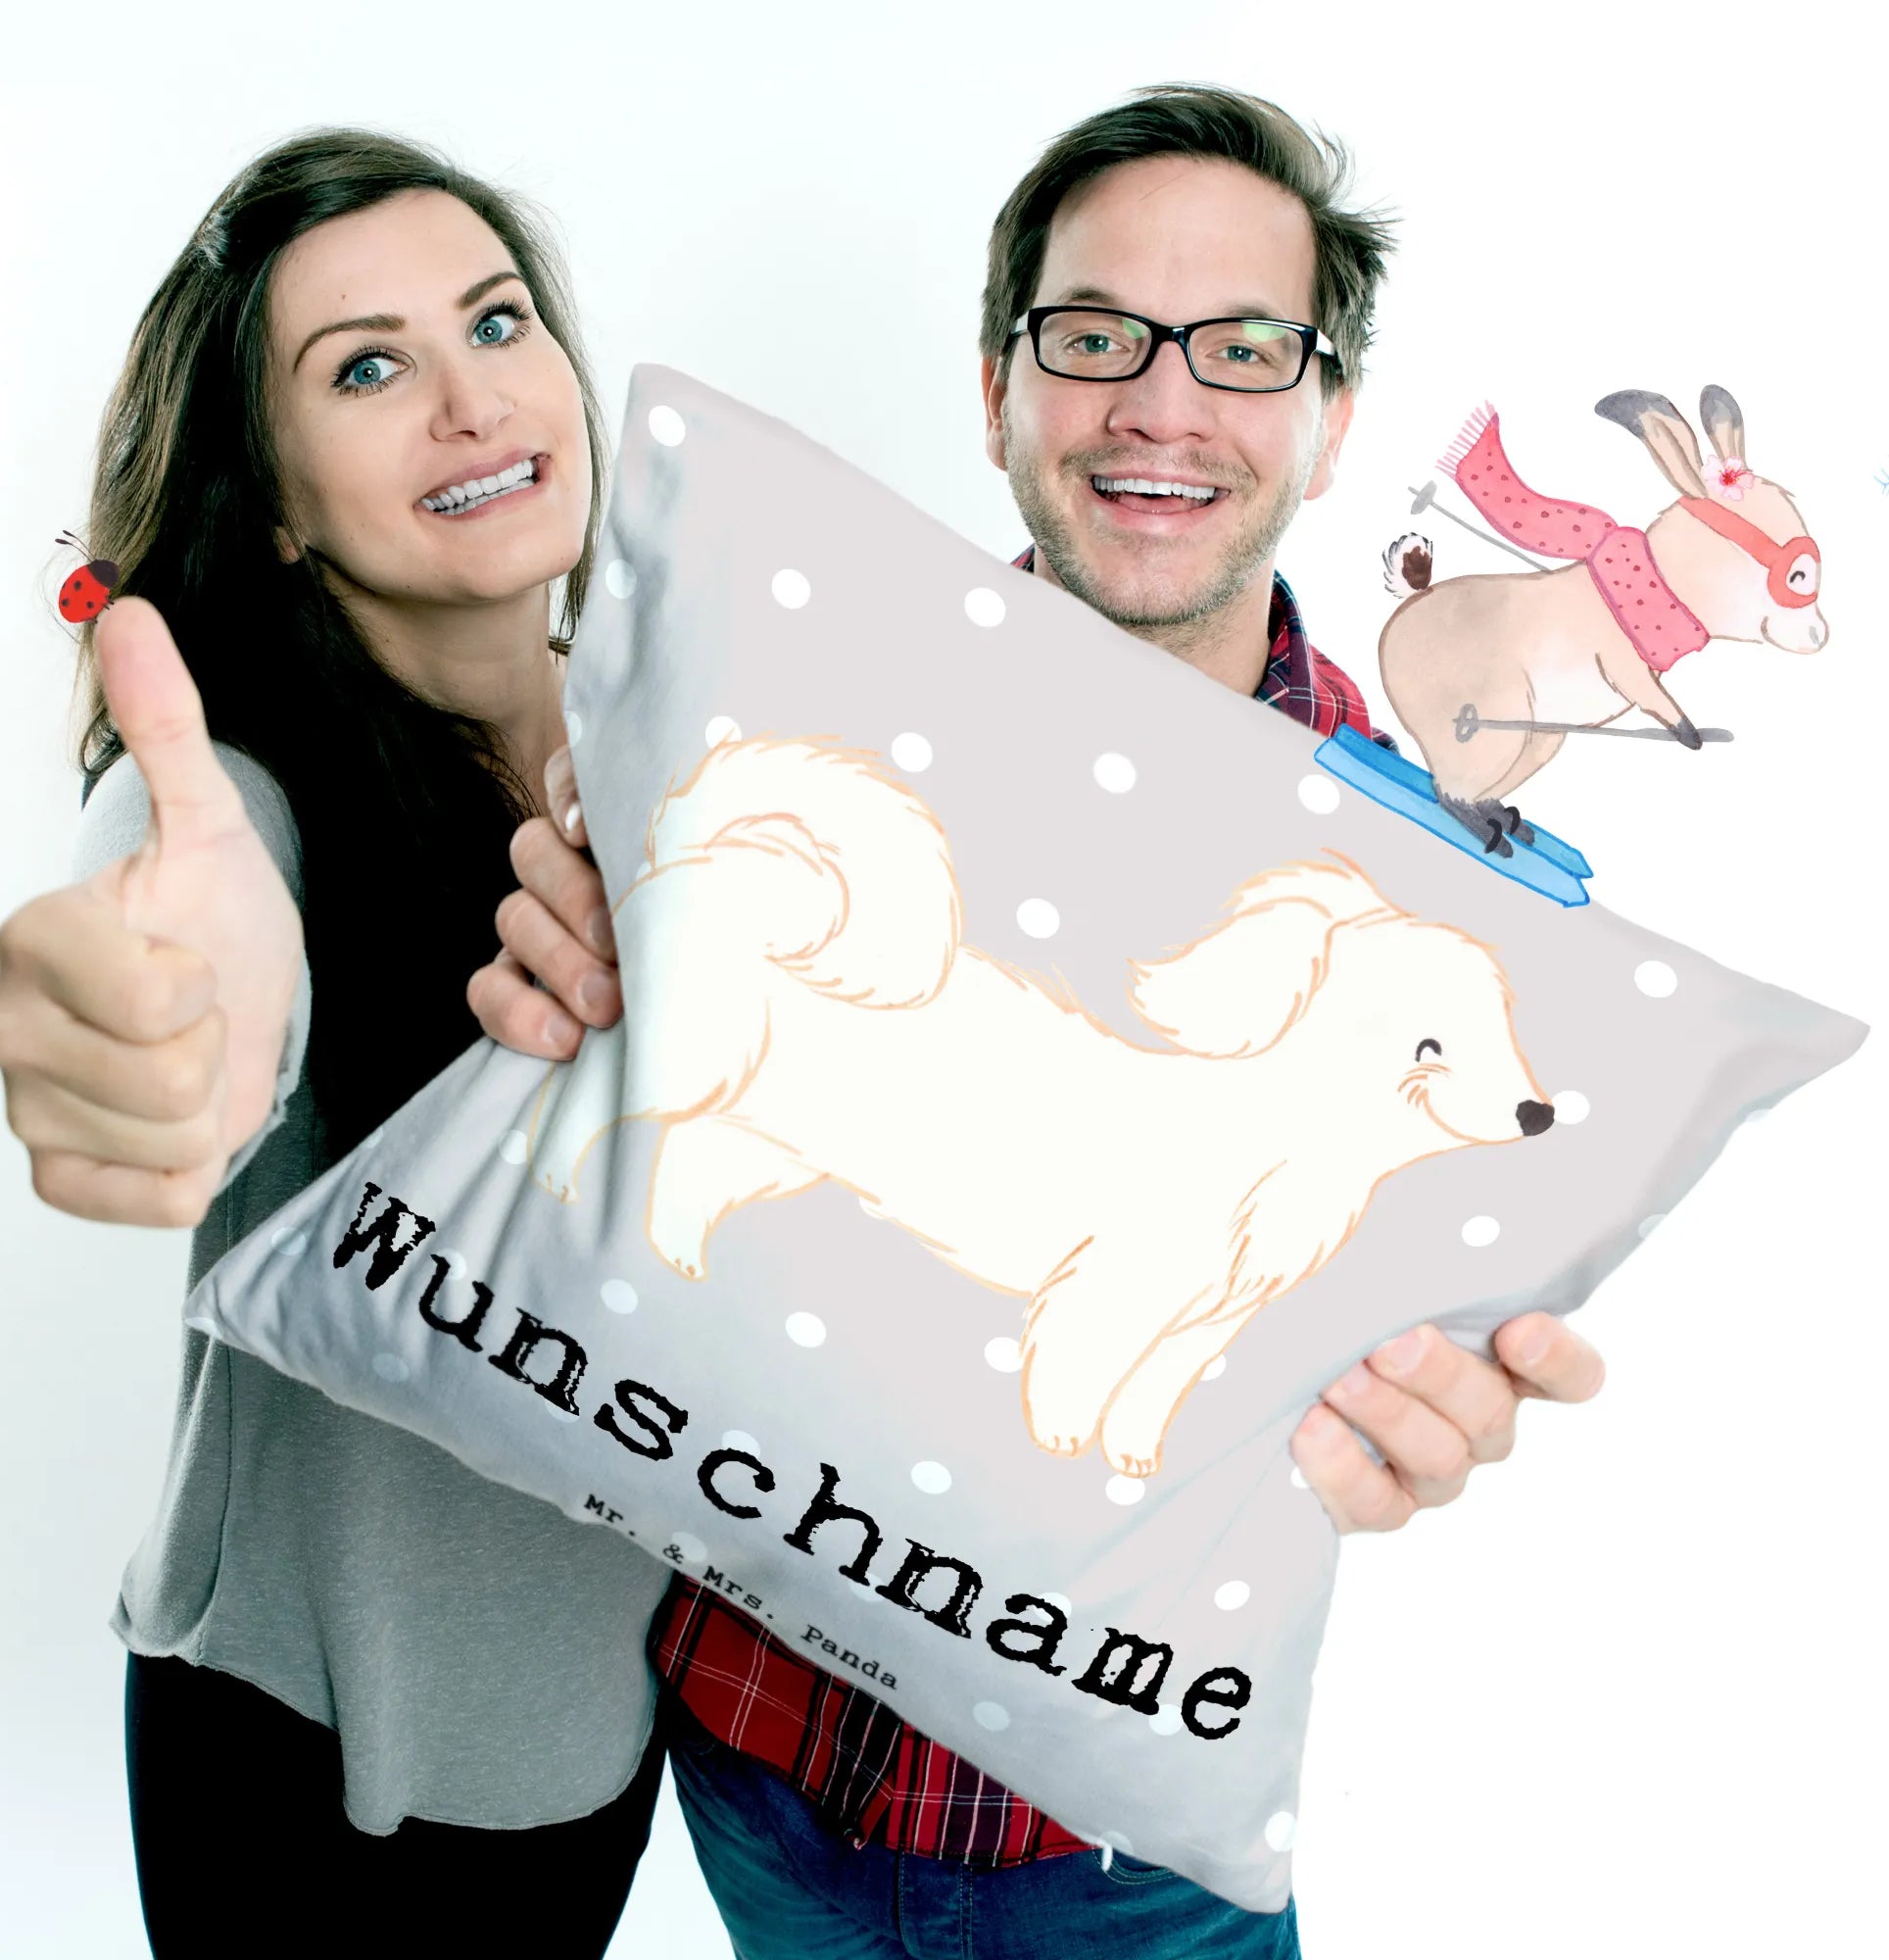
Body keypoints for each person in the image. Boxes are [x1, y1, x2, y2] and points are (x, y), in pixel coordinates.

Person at [470, 84, 1609, 1956]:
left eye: (1244, 348)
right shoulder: (778, 709)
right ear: (999, 389)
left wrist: (1431, 1408)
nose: (1163, 404)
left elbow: (1396, 1335)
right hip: (749, 1765)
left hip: (1127, 1849)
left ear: (1330, 424)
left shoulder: (1436, 899)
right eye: (1096, 338)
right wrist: (567, 984)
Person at [0, 132, 668, 1954]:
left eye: (496, 323)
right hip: (313, 1767)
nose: (469, 400)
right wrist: (155, 1015)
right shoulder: (242, 794)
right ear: (276, 503)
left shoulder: (680, 757)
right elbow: (186, 915)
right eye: (366, 368)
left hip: (600, 1736)